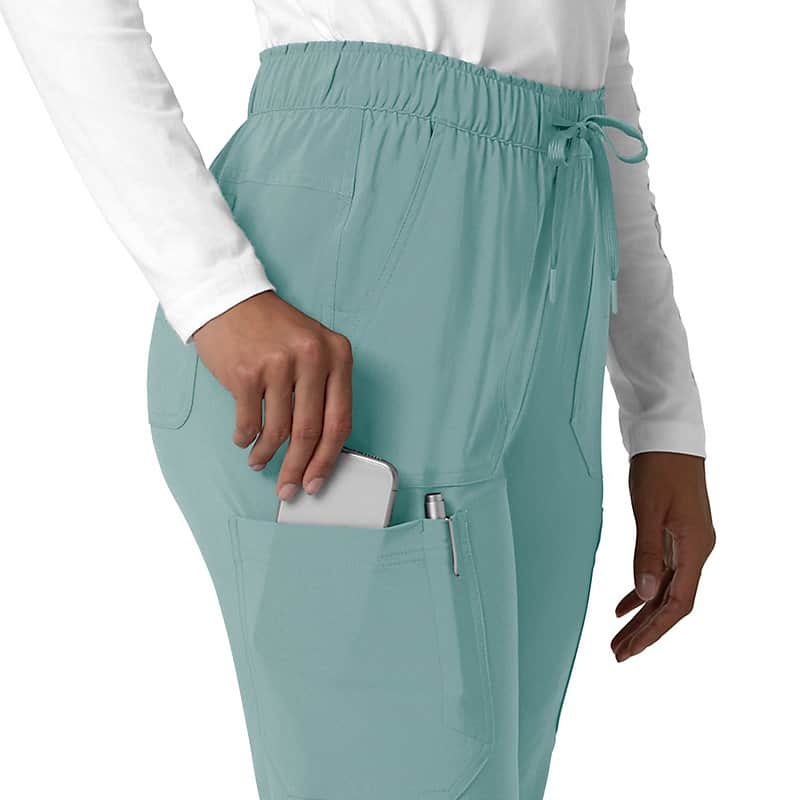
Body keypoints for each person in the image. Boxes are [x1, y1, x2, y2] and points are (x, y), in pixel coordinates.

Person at [0, 1, 716, 798]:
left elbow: (594, 50)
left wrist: (663, 411)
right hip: (354, 293)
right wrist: (213, 288)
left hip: (559, 280)